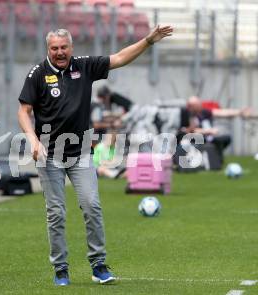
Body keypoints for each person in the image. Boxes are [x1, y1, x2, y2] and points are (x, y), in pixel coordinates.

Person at [17, 26, 173, 285]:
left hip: (80, 153)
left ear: (71, 47)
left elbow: (120, 58)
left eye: (63, 47)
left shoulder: (85, 66)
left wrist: (148, 41)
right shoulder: (37, 74)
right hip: (49, 155)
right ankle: (61, 269)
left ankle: (99, 264)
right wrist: (32, 139)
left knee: (92, 206)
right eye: (54, 48)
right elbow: (23, 111)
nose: (59, 52)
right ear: (48, 49)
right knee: (55, 212)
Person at [178, 96, 248, 162]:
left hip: (207, 137)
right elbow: (188, 130)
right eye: (197, 104)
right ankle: (215, 160)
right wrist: (208, 131)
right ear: (192, 106)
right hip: (194, 139)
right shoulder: (186, 115)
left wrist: (239, 112)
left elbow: (221, 112)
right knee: (216, 141)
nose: (200, 105)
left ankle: (215, 159)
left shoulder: (204, 112)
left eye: (199, 104)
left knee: (226, 138)